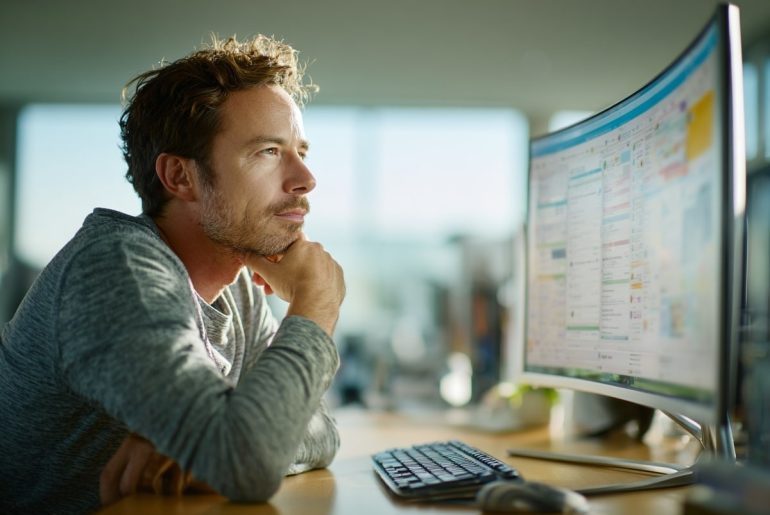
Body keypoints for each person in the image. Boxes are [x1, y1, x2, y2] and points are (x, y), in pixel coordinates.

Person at [0, 34, 345, 514]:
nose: (305, 179)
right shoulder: (116, 268)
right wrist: (315, 304)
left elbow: (318, 429)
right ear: (180, 177)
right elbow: (246, 458)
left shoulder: (239, 291)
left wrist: (214, 444)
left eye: (299, 151)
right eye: (268, 151)